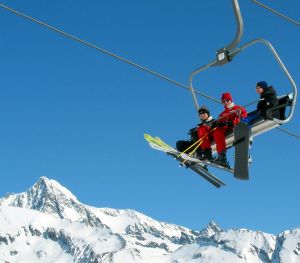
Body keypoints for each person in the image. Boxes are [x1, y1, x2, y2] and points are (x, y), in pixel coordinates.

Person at [212, 92, 247, 167]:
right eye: (223, 101)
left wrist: (232, 122)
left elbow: (243, 117)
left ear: (230, 100)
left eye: (227, 100)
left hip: (235, 126)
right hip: (226, 128)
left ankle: (242, 154)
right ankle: (222, 156)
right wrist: (216, 123)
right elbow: (219, 121)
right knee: (217, 132)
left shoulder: (238, 108)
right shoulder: (223, 114)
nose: (226, 103)